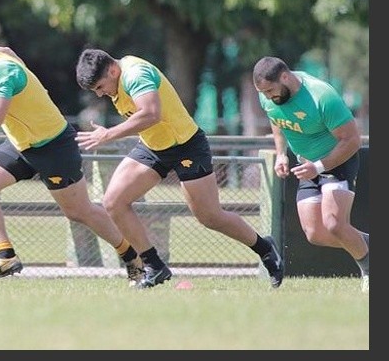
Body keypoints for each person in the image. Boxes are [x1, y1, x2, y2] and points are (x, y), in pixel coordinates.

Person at [0, 42, 143, 285]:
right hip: (22, 145)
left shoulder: (0, 73)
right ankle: (5, 256)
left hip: (54, 147)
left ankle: (131, 255)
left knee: (79, 212)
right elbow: (6, 49)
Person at [74, 48, 284, 288]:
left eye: (101, 87)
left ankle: (265, 248)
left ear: (113, 69)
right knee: (113, 201)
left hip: (186, 146)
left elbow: (151, 114)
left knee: (210, 216)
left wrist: (108, 134)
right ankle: (154, 266)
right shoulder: (116, 78)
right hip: (154, 146)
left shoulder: (135, 74)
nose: (101, 94)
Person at [253, 56, 369, 292]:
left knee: (334, 224)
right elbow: (276, 118)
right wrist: (282, 153)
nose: (267, 97)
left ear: (285, 77)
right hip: (307, 166)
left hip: (337, 161)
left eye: (270, 91)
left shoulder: (321, 96)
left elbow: (352, 140)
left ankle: (369, 268)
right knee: (316, 233)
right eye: (263, 93)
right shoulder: (270, 97)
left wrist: (318, 167)